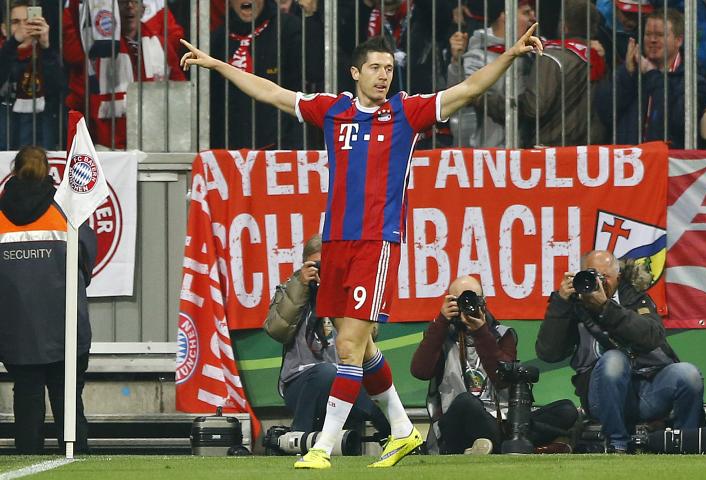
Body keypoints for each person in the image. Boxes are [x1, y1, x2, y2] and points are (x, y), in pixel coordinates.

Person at [180, 23, 542, 469]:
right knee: (363, 348)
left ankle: (322, 447)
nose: (383, 75)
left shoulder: (406, 112)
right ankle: (404, 431)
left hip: (376, 243)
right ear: (355, 72)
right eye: (375, 68)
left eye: (389, 68)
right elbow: (272, 93)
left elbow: (467, 89)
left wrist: (509, 56)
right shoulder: (334, 110)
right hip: (335, 244)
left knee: (349, 346)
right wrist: (217, 64)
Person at [536, 250, 704, 453]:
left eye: (604, 276)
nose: (598, 282)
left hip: (646, 392)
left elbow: (652, 337)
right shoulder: (573, 306)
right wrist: (560, 304)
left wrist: (606, 308)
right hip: (601, 397)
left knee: (688, 374)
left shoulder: (635, 299)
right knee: (614, 360)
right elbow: (548, 353)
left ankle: (687, 444)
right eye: (592, 275)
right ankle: (617, 445)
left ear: (618, 277)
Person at [411, 275, 578, 455]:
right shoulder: (440, 336)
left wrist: (481, 333)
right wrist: (442, 321)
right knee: (466, 402)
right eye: (460, 301)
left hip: (500, 423)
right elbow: (420, 371)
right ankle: (517, 446)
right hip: (458, 423)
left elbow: (502, 380)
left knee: (566, 410)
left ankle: (486, 447)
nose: (468, 304)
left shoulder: (503, 335)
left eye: (473, 298)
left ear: (483, 301)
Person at [0, 146, 97, 454]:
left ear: (14, 171)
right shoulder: (66, 211)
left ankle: (27, 460)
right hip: (64, 326)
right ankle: (76, 458)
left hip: (15, 328)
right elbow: (87, 260)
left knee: (26, 399)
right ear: (48, 171)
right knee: (68, 400)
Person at [264, 234, 390, 438]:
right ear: (305, 265)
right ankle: (299, 437)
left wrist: (338, 291)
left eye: (328, 266)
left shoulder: (351, 290)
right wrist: (300, 287)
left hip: (346, 378)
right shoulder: (291, 288)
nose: (322, 271)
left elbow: (371, 333)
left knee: (370, 390)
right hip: (300, 382)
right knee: (326, 373)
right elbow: (277, 330)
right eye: (316, 266)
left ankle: (393, 434)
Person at [63, 0, 186, 149]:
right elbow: (78, 98)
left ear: (143, 9)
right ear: (113, 10)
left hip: (154, 145)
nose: (129, 6)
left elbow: (181, 93)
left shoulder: (161, 45)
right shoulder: (98, 48)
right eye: (123, 2)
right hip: (107, 148)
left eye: (134, 2)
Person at [487, 0, 606, 147]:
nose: (533, 17)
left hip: (553, 148)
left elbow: (534, 107)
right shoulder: (597, 56)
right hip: (589, 149)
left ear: (564, 26)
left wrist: (485, 101)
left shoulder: (553, 57)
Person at [594, 8, 706, 149]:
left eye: (660, 35)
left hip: (669, 161)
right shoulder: (631, 73)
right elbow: (604, 112)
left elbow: (678, 123)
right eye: (648, 34)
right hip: (630, 160)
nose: (653, 40)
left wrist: (653, 76)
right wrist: (626, 73)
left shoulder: (694, 82)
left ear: (679, 40)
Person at [209, 0, 302, 149]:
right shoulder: (217, 39)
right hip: (229, 150)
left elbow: (305, 85)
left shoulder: (289, 29)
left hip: (280, 147)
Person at [446, 0, 536, 147]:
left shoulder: (532, 54)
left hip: (526, 150)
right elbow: (459, 101)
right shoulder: (478, 57)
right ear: (505, 15)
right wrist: (456, 62)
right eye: (526, 12)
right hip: (488, 151)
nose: (533, 17)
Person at [0, 0, 65, 150]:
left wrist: (46, 47)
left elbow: (59, 89)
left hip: (40, 138)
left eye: (28, 22)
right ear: (3, 29)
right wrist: (13, 43)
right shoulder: (4, 55)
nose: (23, 28)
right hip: (5, 138)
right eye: (15, 22)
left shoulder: (47, 55)